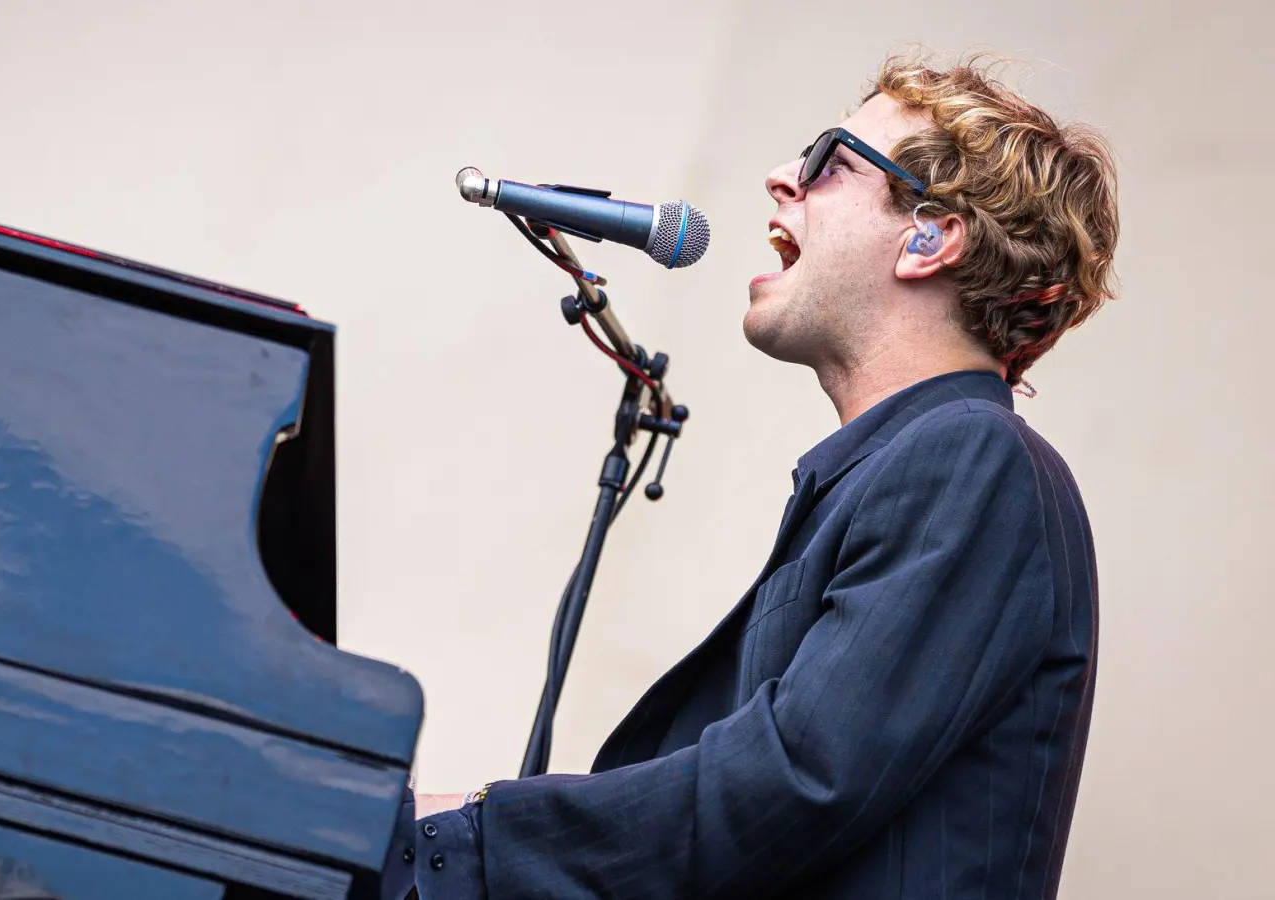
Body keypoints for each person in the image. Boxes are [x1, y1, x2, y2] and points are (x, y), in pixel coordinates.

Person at [386, 50, 1119, 899]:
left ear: (931, 237)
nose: (781, 178)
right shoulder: (914, 467)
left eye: (827, 162)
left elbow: (794, 779)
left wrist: (461, 837)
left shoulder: (973, 459)